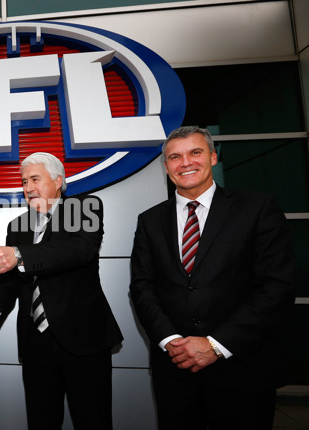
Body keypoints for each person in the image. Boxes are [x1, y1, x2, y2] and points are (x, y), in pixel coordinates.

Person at [129, 126, 295, 430]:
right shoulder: (150, 220)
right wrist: (170, 341)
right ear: (166, 166)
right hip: (175, 370)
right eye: (175, 157)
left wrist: (216, 344)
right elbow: (142, 286)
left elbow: (276, 286)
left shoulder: (257, 208)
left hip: (242, 368)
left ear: (213, 156)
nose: (185, 163)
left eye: (195, 152)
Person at [0, 152, 123, 429]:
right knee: (41, 421)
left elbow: (78, 251)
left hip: (83, 340)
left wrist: (19, 254)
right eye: (25, 181)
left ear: (58, 180)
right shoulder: (17, 227)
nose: (28, 188)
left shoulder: (84, 209)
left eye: (35, 179)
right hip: (35, 343)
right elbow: (10, 280)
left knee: (93, 420)